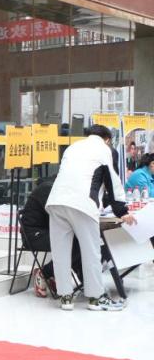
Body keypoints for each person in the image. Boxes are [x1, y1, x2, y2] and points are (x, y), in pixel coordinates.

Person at [45, 124, 135, 311]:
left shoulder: (72, 147)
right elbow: (112, 182)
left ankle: (65, 298)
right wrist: (122, 211)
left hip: (56, 201)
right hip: (83, 204)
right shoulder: (104, 149)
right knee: (91, 252)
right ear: (107, 139)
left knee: (61, 252)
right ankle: (95, 299)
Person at [20, 177, 87, 298]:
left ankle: (83, 280)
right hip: (34, 236)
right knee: (75, 242)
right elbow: (60, 213)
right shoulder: (47, 189)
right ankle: (44, 273)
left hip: (48, 231)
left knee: (82, 240)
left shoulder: (57, 188)